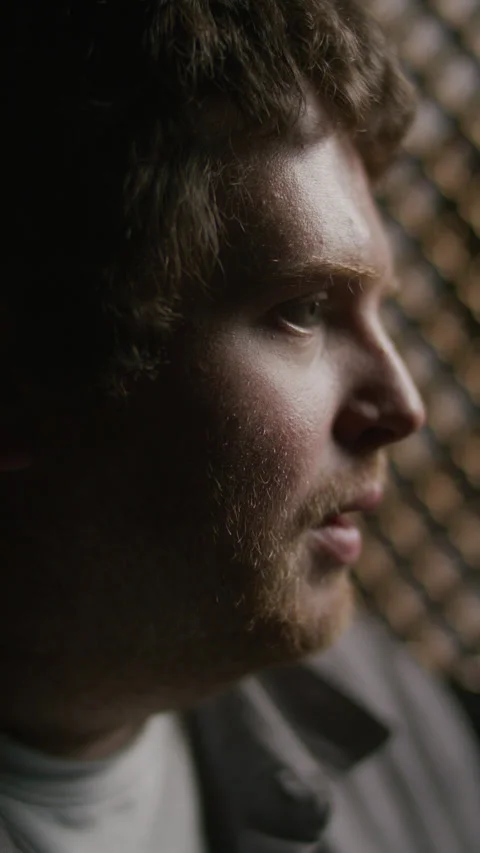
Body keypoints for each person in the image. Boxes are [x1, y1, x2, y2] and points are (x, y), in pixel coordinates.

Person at [1, 2, 479, 851]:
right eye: (302, 310)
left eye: (378, 312)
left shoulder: (393, 718)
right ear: (29, 367)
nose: (403, 406)